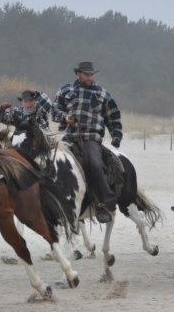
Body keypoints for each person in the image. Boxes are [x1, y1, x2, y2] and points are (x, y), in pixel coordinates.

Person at [52, 61, 123, 223]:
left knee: (95, 165)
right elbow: (54, 110)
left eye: (92, 74)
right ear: (78, 74)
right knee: (49, 159)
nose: (90, 77)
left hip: (91, 137)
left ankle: (105, 204)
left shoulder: (103, 94)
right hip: (67, 135)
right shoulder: (65, 90)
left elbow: (113, 116)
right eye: (86, 74)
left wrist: (116, 136)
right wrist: (64, 117)